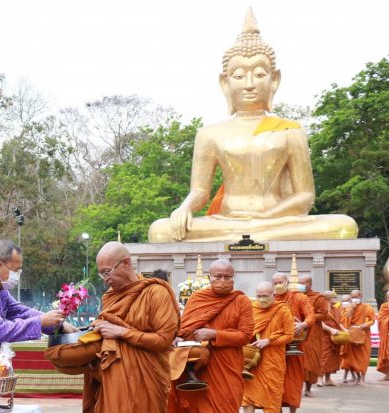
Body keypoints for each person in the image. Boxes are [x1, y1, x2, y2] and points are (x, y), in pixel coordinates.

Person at [148, 8, 356, 243]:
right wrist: (184, 208)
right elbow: (200, 192)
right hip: (227, 221)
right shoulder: (209, 134)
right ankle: (245, 234)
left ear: (274, 80)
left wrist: (266, 217)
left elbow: (306, 195)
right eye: (238, 76)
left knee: (344, 227)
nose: (249, 84)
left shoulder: (290, 130)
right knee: (160, 230)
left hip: (276, 220)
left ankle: (250, 233)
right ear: (224, 83)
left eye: (258, 74)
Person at [81, 242, 179, 413]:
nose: (105, 280)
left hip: (146, 385)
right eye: (101, 274)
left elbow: (164, 340)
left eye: (107, 272)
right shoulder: (111, 297)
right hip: (114, 386)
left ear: (126, 263)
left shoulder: (155, 293)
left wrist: (121, 332)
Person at [168, 259, 254, 413]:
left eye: (228, 277)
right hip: (199, 369)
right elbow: (185, 329)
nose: (223, 281)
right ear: (209, 277)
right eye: (218, 276)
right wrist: (185, 336)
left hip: (228, 367)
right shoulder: (198, 299)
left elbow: (246, 335)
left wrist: (215, 333)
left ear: (233, 277)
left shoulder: (242, 301)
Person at [241, 282, 294, 413]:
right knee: (248, 392)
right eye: (259, 296)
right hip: (252, 357)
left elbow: (289, 335)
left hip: (273, 356)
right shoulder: (251, 308)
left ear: (273, 295)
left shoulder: (282, 309)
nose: (262, 299)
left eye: (266, 296)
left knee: (271, 391)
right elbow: (244, 328)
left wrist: (269, 341)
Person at [270, 272, 314, 413]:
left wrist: (302, 324)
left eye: (280, 282)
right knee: (276, 381)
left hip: (296, 345)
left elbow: (310, 316)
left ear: (287, 282)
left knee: (294, 381)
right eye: (275, 283)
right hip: (276, 345)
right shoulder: (271, 299)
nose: (278, 285)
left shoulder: (299, 297)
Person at [339, 289, 374, 385]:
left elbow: (372, 320)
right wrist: (352, 308)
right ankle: (357, 377)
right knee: (352, 357)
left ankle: (363, 378)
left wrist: (365, 325)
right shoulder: (349, 308)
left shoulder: (367, 307)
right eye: (353, 297)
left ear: (360, 296)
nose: (355, 299)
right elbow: (345, 320)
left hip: (364, 334)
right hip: (352, 335)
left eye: (356, 297)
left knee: (364, 357)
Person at [300, 275, 326, 396]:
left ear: (309, 285)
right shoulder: (295, 295)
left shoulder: (318, 297)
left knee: (311, 359)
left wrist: (309, 318)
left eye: (302, 283)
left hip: (313, 332)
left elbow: (323, 314)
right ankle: (296, 386)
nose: (299, 285)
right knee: (297, 360)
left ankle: (308, 388)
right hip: (297, 330)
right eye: (298, 282)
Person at [319, 291, 343, 386]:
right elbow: (320, 323)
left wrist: (345, 330)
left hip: (334, 337)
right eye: (334, 297)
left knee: (332, 358)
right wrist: (330, 329)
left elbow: (338, 323)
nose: (336, 299)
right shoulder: (322, 309)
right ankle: (320, 378)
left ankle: (328, 379)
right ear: (328, 299)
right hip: (324, 336)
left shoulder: (336, 310)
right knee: (324, 356)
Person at [377, 290, 389, 381]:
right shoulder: (384, 306)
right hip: (386, 334)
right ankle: (388, 373)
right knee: (386, 353)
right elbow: (381, 319)